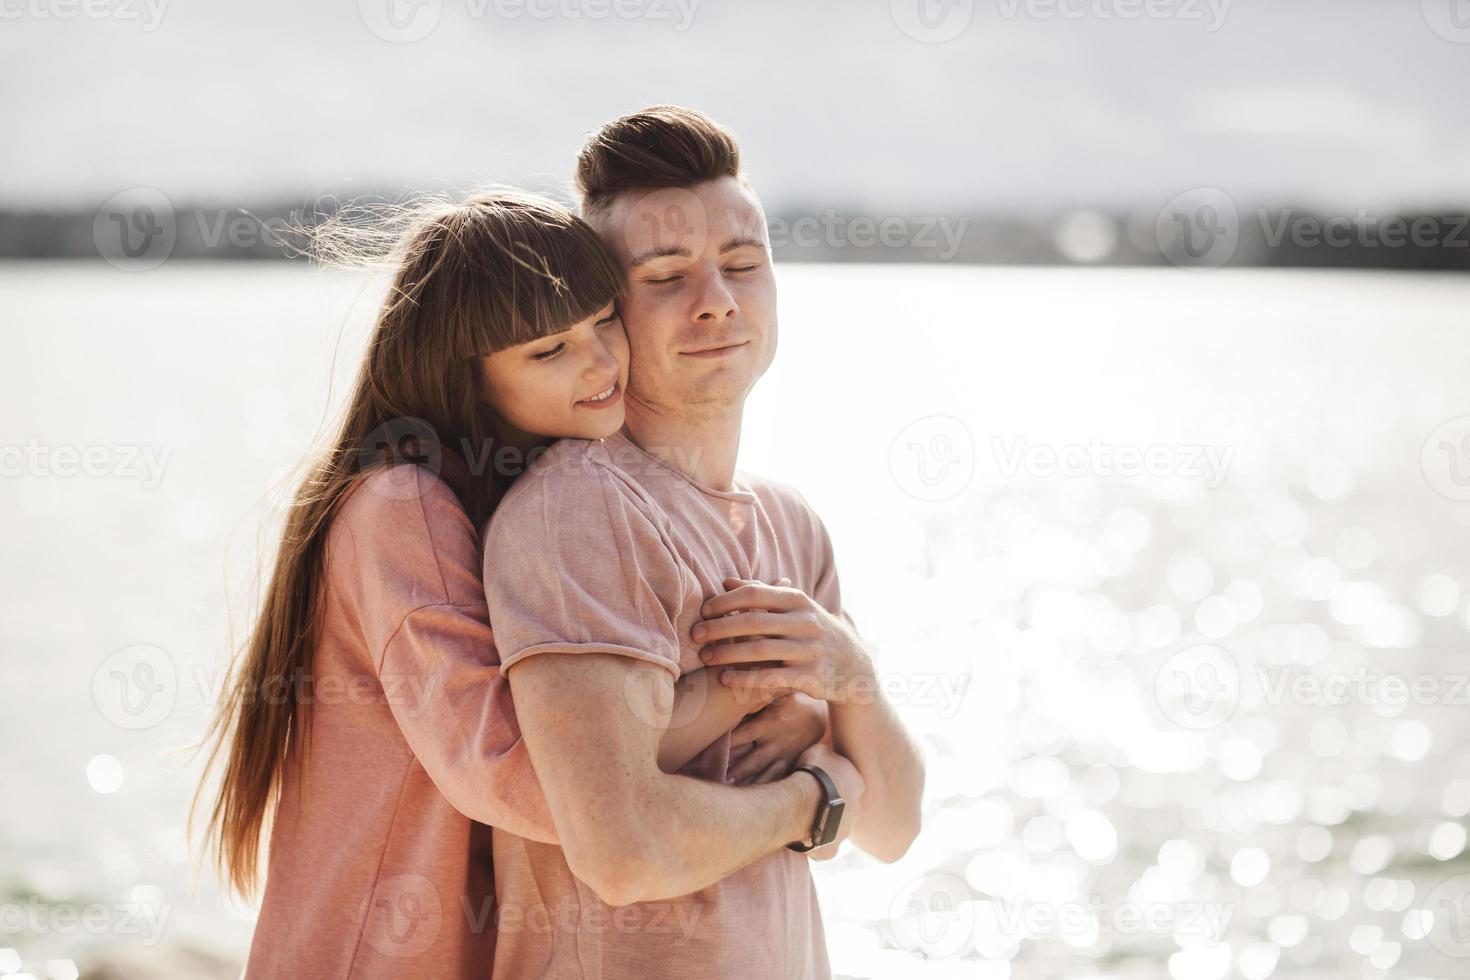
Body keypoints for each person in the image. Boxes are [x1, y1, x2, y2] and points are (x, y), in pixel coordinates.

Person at [193, 190, 829, 979]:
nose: (601, 362)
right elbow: (514, 773)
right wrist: (747, 692)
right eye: (547, 351)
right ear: (468, 375)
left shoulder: (526, 494)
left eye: (603, 321)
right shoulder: (402, 507)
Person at [482, 105, 926, 979]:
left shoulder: (790, 524)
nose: (717, 300)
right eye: (666, 275)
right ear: (604, 316)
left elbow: (896, 828)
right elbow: (625, 851)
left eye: (742, 265)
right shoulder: (582, 508)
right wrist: (818, 797)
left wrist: (850, 677)